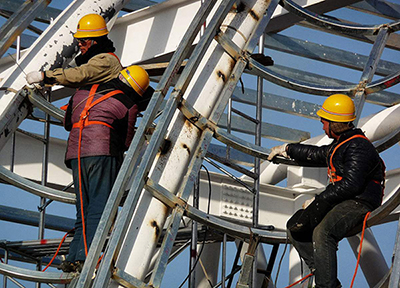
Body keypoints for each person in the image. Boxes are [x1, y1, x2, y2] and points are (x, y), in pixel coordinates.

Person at [267, 94, 385, 288]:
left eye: (325, 122)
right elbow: (316, 154)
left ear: (335, 123)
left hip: (359, 201)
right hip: (344, 199)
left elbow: (351, 185)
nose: (322, 127)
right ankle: (322, 272)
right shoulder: (341, 145)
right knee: (296, 225)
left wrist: (319, 200)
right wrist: (287, 149)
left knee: (324, 231)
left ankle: (326, 285)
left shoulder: (358, 146)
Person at [59, 65, 151, 273]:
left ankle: (73, 257)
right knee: (99, 209)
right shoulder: (128, 103)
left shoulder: (81, 92)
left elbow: (67, 123)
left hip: (75, 154)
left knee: (83, 210)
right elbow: (127, 142)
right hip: (102, 153)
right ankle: (85, 257)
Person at [26, 14, 122, 87]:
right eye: (78, 41)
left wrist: (45, 76)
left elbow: (81, 74)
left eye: (83, 41)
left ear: (96, 41)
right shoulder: (95, 60)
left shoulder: (106, 61)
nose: (79, 44)